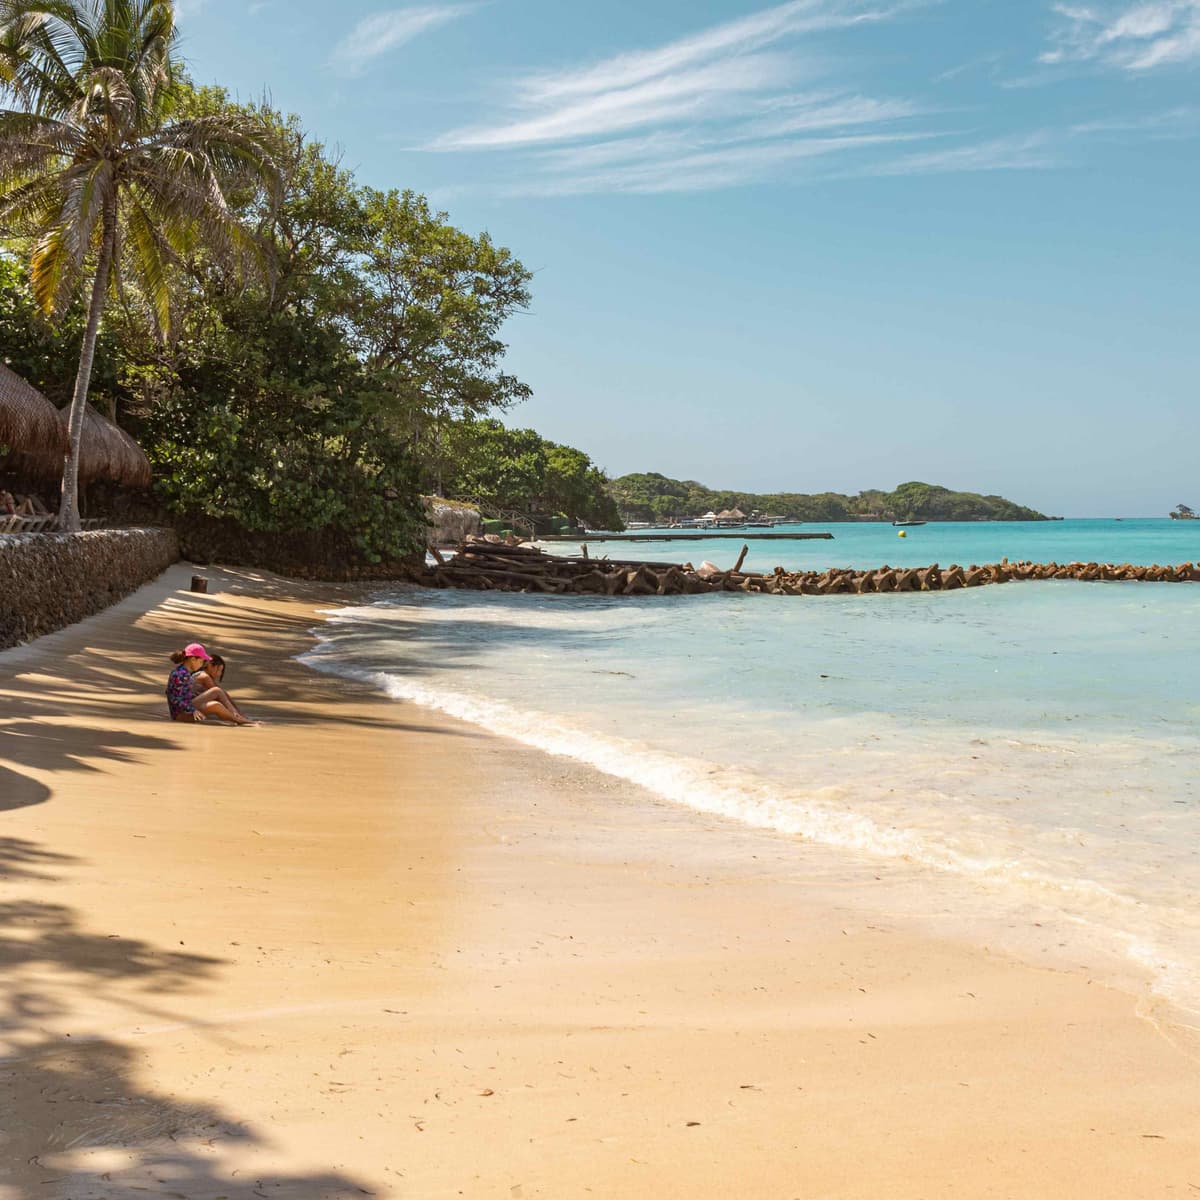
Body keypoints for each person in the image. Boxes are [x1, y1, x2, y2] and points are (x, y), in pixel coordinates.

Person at [165, 643, 253, 725]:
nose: (202, 665)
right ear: (193, 659)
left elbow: (176, 694)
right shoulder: (181, 674)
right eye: (201, 662)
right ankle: (239, 719)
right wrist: (193, 710)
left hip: (185, 710)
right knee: (216, 699)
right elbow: (175, 699)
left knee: (216, 698)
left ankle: (237, 717)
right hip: (181, 715)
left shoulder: (183, 672)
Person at [191, 653, 256, 723]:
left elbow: (224, 694)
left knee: (219, 702)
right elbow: (219, 694)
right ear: (210, 666)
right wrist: (235, 711)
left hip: (195, 703)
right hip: (190, 705)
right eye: (219, 670)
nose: (220, 674)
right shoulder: (204, 676)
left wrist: (239, 711)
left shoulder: (204, 676)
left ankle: (238, 716)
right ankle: (238, 717)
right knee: (217, 691)